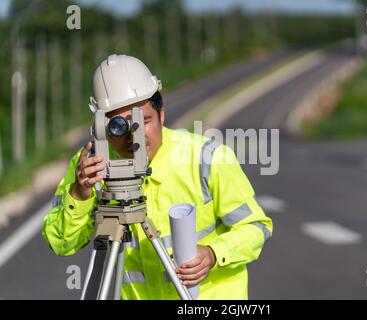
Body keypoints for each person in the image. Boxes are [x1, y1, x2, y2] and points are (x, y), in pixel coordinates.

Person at [42, 54, 273, 300]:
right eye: (118, 126)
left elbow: (256, 226)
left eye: (144, 121)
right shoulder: (89, 167)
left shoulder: (206, 157)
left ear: (162, 114)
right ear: (101, 127)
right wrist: (80, 193)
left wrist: (214, 253)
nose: (132, 137)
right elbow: (61, 243)